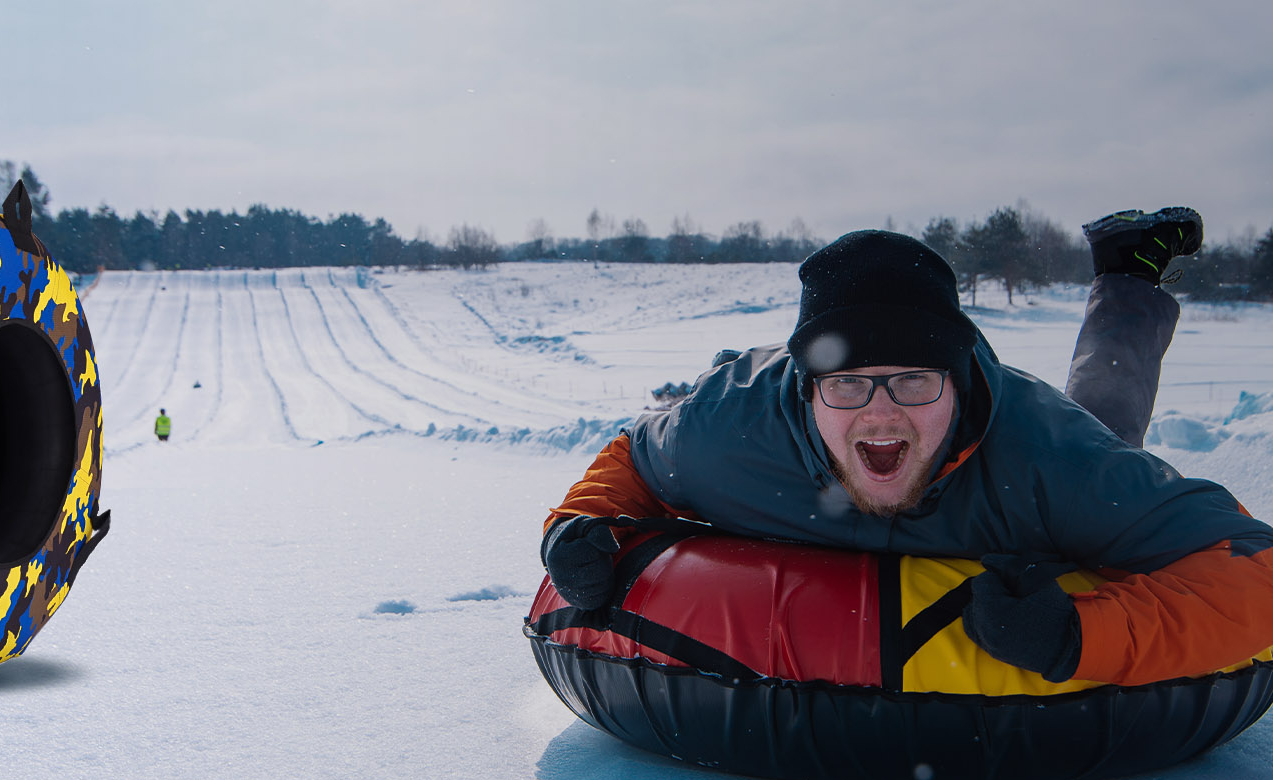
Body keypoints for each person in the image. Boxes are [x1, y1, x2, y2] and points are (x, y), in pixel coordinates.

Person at [542, 207, 1273, 686]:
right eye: (850, 386)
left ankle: (1128, 276)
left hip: (1050, 454)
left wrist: (1079, 635)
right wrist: (577, 528)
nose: (882, 416)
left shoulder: (1046, 458)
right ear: (807, 392)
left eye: (916, 381)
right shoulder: (726, 434)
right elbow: (631, 459)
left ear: (957, 382)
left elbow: (1255, 569)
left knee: (1108, 431)